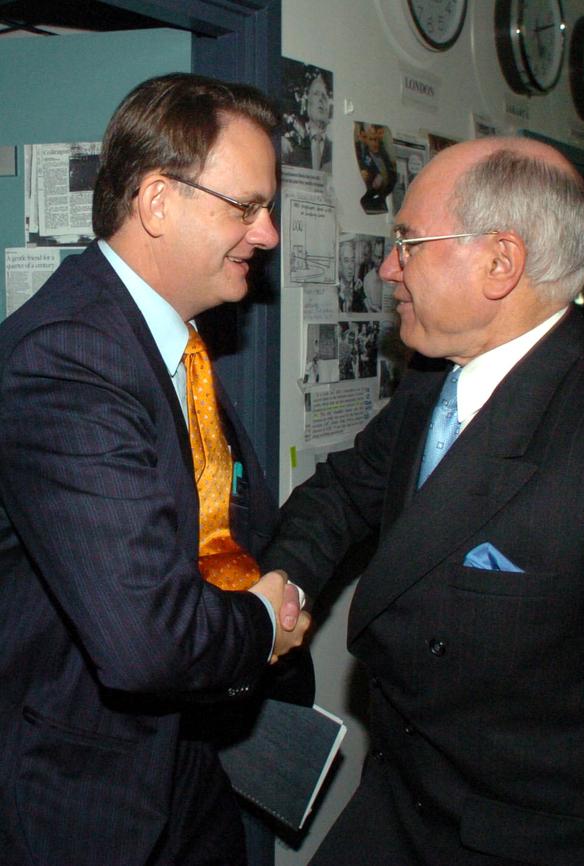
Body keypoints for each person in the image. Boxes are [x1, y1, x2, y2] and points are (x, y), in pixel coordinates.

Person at [261, 137, 584, 865]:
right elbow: (344, 493)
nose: (386, 268)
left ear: (501, 263)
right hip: (396, 810)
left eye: (407, 242)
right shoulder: (430, 383)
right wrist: (285, 580)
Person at [0, 73, 310, 866]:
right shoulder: (68, 356)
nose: (268, 234)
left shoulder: (173, 341)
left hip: (184, 767)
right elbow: (143, 637)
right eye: (246, 206)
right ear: (158, 201)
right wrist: (262, 625)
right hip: (89, 798)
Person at [281, 68, 332, 173]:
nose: (321, 99)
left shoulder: (335, 149)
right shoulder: (291, 143)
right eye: (316, 93)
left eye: (325, 95)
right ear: (307, 100)